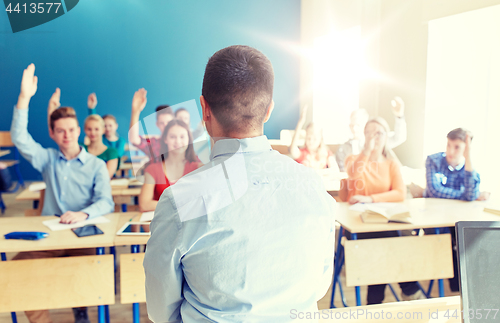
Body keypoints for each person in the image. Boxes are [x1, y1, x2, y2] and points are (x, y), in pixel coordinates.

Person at [143, 45, 335, 322]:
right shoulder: (313, 185)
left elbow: (160, 311)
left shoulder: (180, 200)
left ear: (204, 109)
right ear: (268, 110)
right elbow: (319, 286)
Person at [11, 64, 114, 323]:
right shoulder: (46, 159)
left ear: (79, 131)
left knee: (95, 271)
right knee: (17, 268)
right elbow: (20, 137)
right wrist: (24, 98)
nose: (66, 135)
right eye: (60, 131)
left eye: (71, 129)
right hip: (49, 237)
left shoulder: (96, 165)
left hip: (83, 236)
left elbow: (106, 202)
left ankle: (81, 311)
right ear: (52, 133)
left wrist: (83, 214)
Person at [344, 117, 424, 304]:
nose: (374, 137)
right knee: (387, 245)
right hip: (357, 224)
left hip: (383, 222)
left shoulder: (391, 164)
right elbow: (354, 174)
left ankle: (374, 304)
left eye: (379, 132)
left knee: (384, 247)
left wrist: (370, 198)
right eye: (369, 132)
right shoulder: (353, 159)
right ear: (364, 136)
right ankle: (410, 289)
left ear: (386, 136)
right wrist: (366, 151)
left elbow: (399, 193)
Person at [423, 128, 489, 292]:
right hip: (435, 219)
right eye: (449, 145)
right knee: (445, 238)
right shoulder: (434, 161)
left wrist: (468, 162)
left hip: (459, 220)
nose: (450, 151)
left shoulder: (470, 166)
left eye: (457, 147)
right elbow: (434, 191)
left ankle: (466, 289)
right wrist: (466, 196)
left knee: (469, 239)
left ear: (466, 149)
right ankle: (455, 289)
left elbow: (471, 194)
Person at [138, 119, 201, 212]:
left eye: (182, 136)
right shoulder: (153, 170)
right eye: (172, 137)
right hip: (163, 224)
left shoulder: (198, 168)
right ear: (165, 139)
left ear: (189, 139)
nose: (178, 141)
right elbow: (144, 204)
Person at [336, 97, 407, 171]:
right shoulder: (343, 149)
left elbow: (399, 138)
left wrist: (399, 116)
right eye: (352, 125)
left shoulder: (378, 141)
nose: (354, 129)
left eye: (358, 125)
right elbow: (343, 173)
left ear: (366, 124)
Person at [128, 91, 174, 163]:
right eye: (162, 123)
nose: (165, 126)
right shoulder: (154, 144)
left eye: (168, 122)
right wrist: (136, 112)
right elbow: (134, 139)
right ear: (157, 124)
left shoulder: (182, 141)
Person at [289, 105, 338, 170]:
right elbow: (293, 149)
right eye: (308, 138)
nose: (311, 141)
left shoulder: (327, 153)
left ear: (320, 139)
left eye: (314, 139)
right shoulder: (302, 153)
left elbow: (335, 170)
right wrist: (300, 123)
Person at [87, 93, 127, 158]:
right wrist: (92, 108)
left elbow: (117, 155)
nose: (107, 128)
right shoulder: (100, 138)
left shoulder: (121, 141)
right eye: (105, 126)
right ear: (102, 128)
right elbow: (93, 123)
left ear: (116, 126)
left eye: (110, 126)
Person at [83, 114, 120, 178]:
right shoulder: (81, 149)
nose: (93, 133)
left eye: (96, 129)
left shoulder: (112, 152)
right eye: (89, 129)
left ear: (103, 130)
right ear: (84, 130)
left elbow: (105, 177)